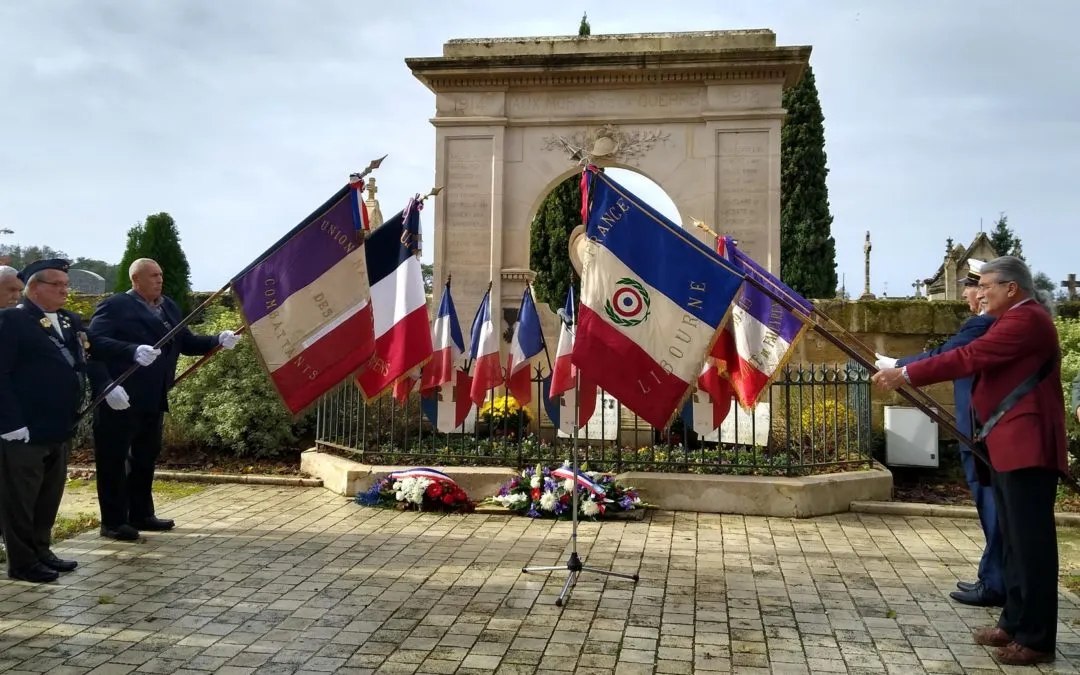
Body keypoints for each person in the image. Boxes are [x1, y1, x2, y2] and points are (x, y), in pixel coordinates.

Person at [872, 256, 1066, 667]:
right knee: (1013, 542)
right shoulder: (1013, 318)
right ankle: (1013, 623)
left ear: (1011, 288)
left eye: (987, 285)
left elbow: (968, 357)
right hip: (1009, 443)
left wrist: (905, 375)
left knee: (1031, 547)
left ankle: (1036, 638)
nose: (979, 292)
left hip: (1026, 446)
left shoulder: (1025, 320)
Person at [0, 259, 152, 583]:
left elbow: (91, 356)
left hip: (61, 423)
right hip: (24, 428)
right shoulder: (11, 320)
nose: (65, 290)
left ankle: (41, 549)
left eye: (66, 284)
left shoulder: (68, 321)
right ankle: (22, 562)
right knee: (21, 499)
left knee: (48, 495)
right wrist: (9, 421)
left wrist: (112, 378)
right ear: (35, 287)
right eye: (57, 284)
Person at [876, 260, 1003, 607]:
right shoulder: (991, 323)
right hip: (976, 426)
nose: (964, 292)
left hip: (980, 430)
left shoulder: (984, 324)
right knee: (991, 507)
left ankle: (996, 582)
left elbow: (944, 356)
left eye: (972, 286)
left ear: (986, 291)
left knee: (992, 507)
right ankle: (994, 577)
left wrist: (900, 367)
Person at [88, 258, 239, 540]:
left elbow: (187, 342)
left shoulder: (167, 306)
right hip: (120, 395)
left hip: (154, 395)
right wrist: (129, 353)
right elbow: (94, 343)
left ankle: (141, 514)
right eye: (153, 275)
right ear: (136, 279)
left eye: (161, 275)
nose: (159, 280)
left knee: (145, 458)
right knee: (113, 460)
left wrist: (217, 339)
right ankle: (113, 521)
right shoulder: (116, 306)